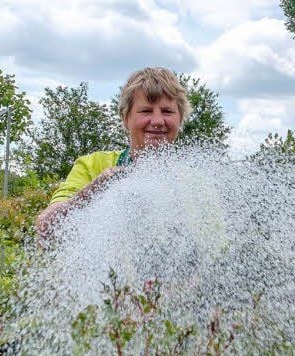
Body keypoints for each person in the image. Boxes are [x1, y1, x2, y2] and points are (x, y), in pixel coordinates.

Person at [34, 67, 191, 239]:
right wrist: (96, 189)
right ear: (125, 119)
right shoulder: (93, 166)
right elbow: (45, 230)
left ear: (180, 119)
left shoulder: (195, 182)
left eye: (167, 111)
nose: (158, 121)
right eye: (146, 111)